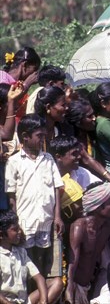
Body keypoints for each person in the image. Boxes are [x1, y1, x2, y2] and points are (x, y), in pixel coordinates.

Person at [5, 114, 64, 286]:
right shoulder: (14, 161)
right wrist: (15, 223)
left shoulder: (48, 159)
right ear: (25, 137)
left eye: (43, 136)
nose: (42, 139)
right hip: (25, 221)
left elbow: (56, 187)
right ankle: (31, 294)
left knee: (42, 258)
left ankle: (42, 294)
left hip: (46, 220)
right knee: (26, 261)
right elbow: (12, 196)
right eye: (39, 136)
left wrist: (58, 216)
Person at [66, 182, 110, 304]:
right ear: (99, 207)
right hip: (74, 287)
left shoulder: (109, 227)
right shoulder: (80, 227)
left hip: (90, 286)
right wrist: (69, 290)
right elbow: (72, 262)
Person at [0, 210, 58, 304]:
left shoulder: (21, 252)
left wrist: (44, 301)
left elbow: (39, 278)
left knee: (57, 283)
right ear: (1, 235)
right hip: (6, 302)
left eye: (19, 228)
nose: (19, 232)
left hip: (24, 301)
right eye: (15, 229)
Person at [65, 98, 110, 181]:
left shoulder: (90, 133)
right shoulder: (74, 142)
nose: (94, 118)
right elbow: (87, 159)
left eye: (93, 114)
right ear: (78, 122)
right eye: (89, 116)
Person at [0, 82, 25, 210]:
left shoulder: (15, 124)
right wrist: (11, 101)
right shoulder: (6, 129)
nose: (15, 107)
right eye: (10, 104)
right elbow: (6, 134)